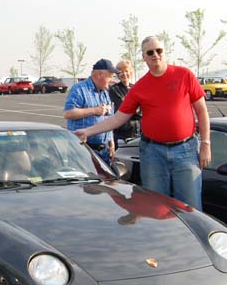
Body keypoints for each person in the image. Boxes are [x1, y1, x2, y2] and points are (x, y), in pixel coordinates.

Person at [74, 36, 210, 210]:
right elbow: (118, 118)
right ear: (144, 57)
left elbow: (202, 111)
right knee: (155, 207)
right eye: (150, 52)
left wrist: (206, 143)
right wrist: (87, 131)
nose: (156, 55)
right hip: (153, 154)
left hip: (186, 150)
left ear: (164, 52)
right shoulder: (139, 87)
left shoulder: (185, 75)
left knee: (190, 208)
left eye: (159, 50)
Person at [63, 58, 118, 165]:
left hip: (104, 151)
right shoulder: (79, 89)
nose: (112, 80)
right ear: (100, 74)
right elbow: (68, 113)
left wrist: (111, 142)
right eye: (110, 76)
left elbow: (109, 119)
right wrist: (95, 110)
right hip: (82, 150)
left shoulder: (105, 92)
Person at [108, 59, 140, 149]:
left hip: (136, 132)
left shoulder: (136, 88)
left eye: (126, 71)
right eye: (120, 72)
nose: (124, 74)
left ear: (131, 72)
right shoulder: (114, 90)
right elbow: (119, 110)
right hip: (121, 133)